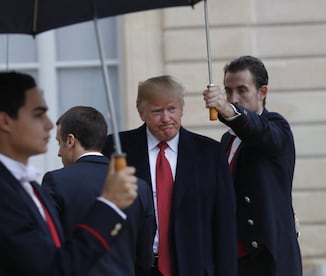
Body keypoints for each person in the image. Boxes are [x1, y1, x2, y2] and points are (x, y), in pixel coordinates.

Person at [0, 72, 139, 276]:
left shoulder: (24, 185)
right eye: (38, 114)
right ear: (5, 121)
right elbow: (53, 270)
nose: (49, 124)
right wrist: (108, 205)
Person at [103, 75, 237, 276]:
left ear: (181, 109)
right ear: (141, 112)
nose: (166, 118)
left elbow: (224, 223)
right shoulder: (116, 149)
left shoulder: (209, 152)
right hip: (134, 268)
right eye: (157, 111)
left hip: (195, 268)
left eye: (172, 109)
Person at [202, 55, 302, 276]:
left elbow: (258, 131)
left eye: (242, 90)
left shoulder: (276, 126)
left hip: (267, 259)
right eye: (228, 91)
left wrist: (227, 109)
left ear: (262, 92)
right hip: (232, 259)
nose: (233, 98)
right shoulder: (228, 139)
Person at [42, 105, 155, 275]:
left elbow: (49, 244)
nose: (59, 152)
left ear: (71, 140)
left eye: (60, 143)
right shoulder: (139, 186)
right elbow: (145, 257)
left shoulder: (56, 181)